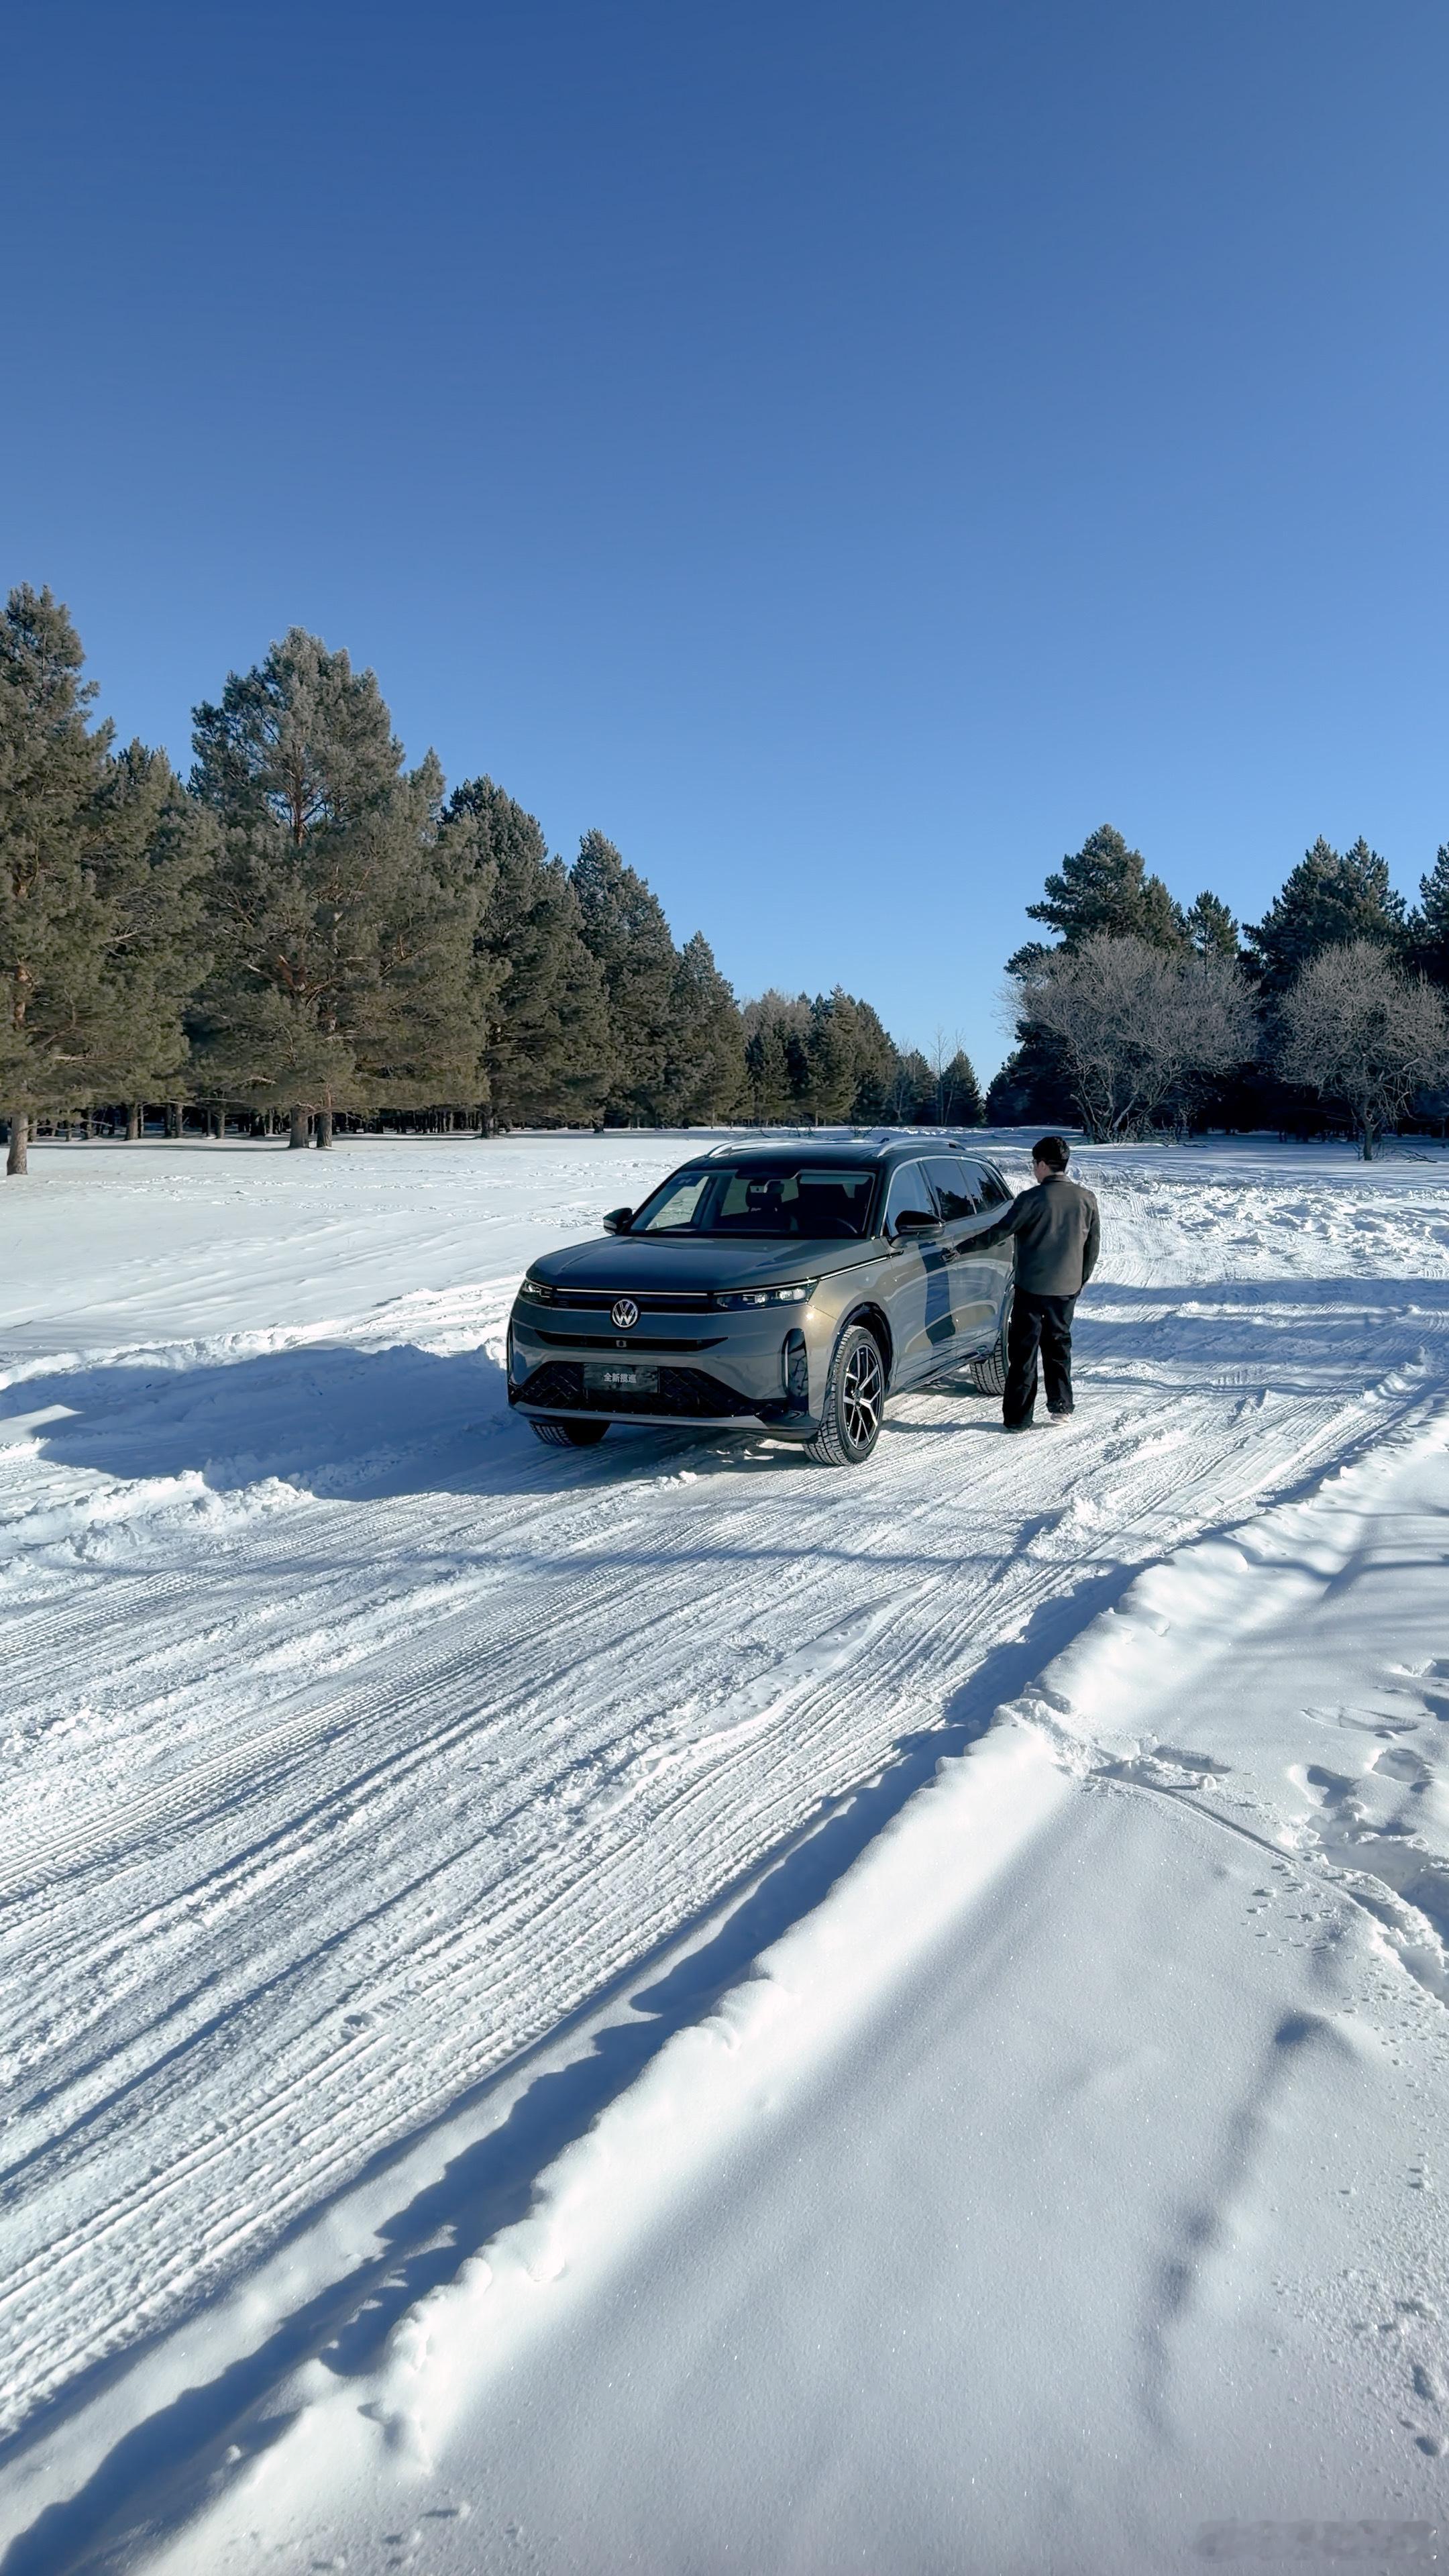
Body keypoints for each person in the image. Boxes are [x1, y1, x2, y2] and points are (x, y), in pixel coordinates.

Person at [983, 1135, 1099, 1432]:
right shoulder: (1086, 1198)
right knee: (1059, 1344)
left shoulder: (1031, 1199)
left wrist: (963, 1246)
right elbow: (1092, 1245)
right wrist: (1080, 1279)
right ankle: (1062, 1406)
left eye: (1034, 1164)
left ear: (1044, 1165)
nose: (1033, 1170)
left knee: (1023, 1351)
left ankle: (1018, 1418)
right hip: (1066, 1288)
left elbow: (1001, 1231)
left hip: (1031, 1288)